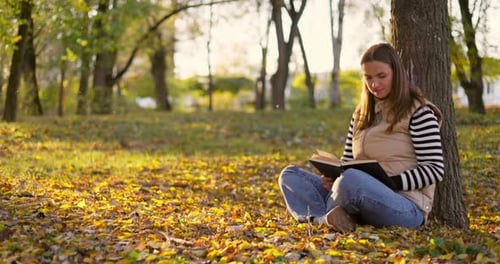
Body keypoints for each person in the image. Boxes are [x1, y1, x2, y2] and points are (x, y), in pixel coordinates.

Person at [278, 43, 444, 233]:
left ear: (397, 73)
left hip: (405, 206)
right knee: (290, 175)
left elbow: (434, 169)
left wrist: (390, 182)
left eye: (382, 76)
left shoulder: (419, 112)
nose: (374, 84)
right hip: (359, 192)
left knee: (352, 179)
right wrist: (334, 178)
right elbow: (348, 161)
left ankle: (322, 217)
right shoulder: (361, 114)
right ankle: (330, 217)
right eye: (368, 78)